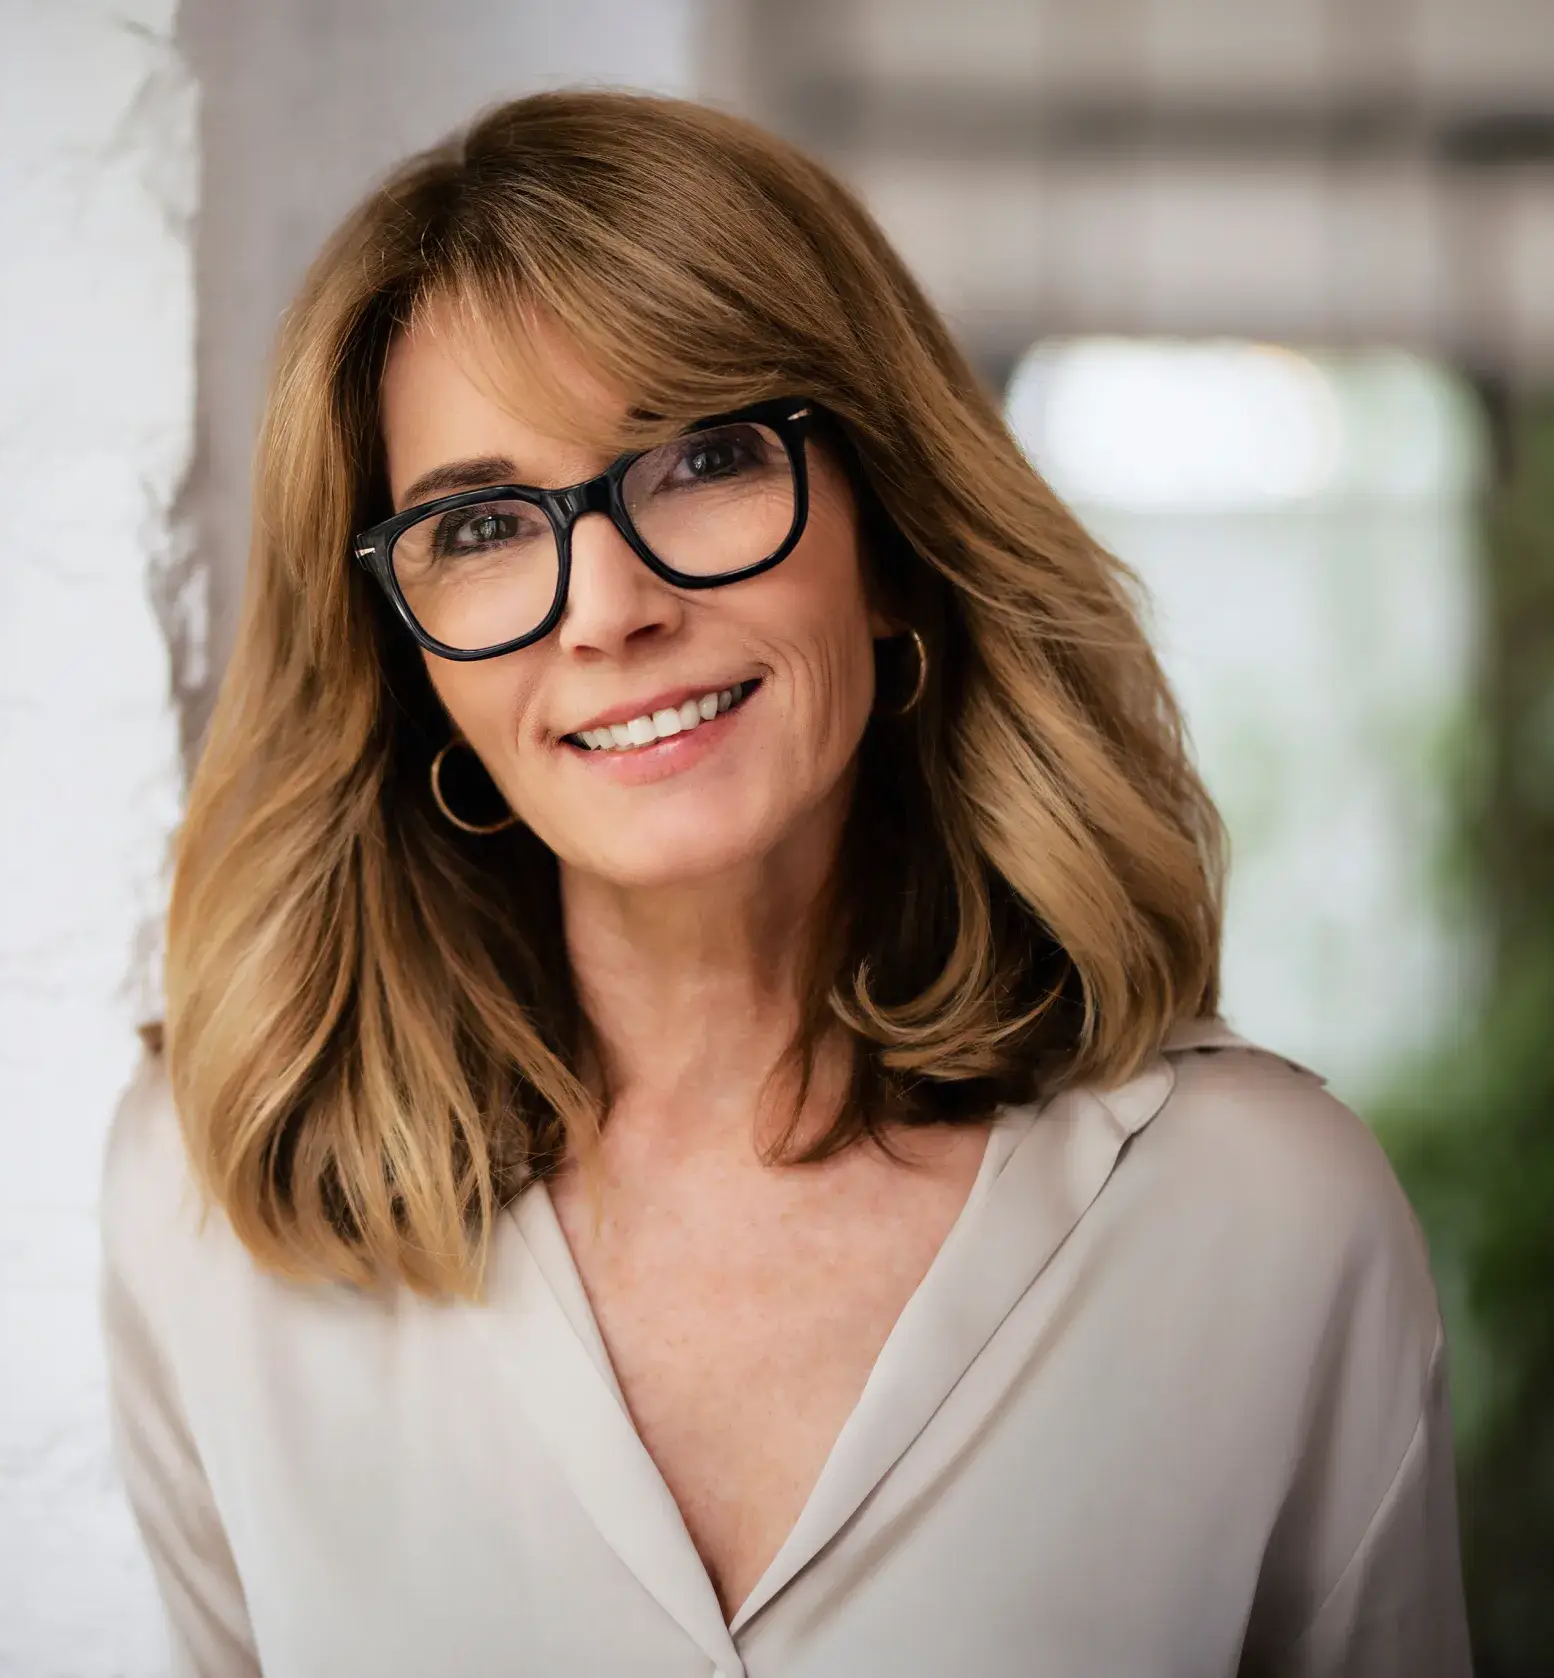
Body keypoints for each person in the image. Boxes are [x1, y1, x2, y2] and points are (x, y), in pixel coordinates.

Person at [100, 89, 1472, 1678]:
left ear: (890, 534)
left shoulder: (1268, 1221)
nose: (606, 607)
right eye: (476, 523)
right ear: (405, 660)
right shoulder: (219, 1206)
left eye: (699, 459)